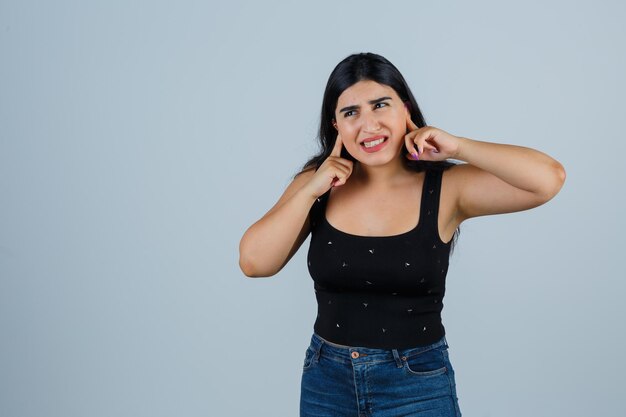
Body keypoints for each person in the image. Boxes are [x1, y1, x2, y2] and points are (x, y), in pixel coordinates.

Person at [239, 52, 565, 417]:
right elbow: (254, 263)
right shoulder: (318, 185)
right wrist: (310, 190)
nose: (368, 125)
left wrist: (458, 146)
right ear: (336, 125)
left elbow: (548, 179)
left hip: (415, 384)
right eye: (351, 113)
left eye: (381, 105)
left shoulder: (447, 189)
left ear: (405, 109)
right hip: (326, 382)